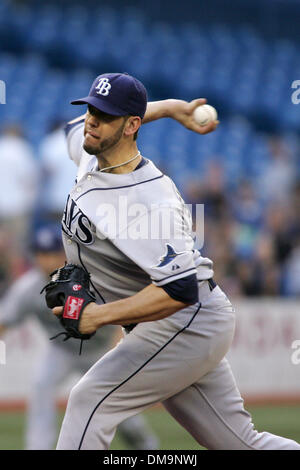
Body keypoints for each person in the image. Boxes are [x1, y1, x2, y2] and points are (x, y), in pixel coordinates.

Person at [50, 72, 299, 450]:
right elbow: (90, 123)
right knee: (241, 445)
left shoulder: (151, 201)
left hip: (188, 320)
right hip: (174, 326)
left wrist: (97, 317)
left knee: (89, 401)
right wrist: (167, 109)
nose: (91, 121)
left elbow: (180, 289)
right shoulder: (90, 152)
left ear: (131, 125)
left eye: (104, 115)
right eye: (90, 110)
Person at [0, 224, 159, 450]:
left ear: (63, 252)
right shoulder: (28, 287)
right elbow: (4, 321)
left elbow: (124, 310)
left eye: (51, 253)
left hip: (102, 350)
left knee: (119, 411)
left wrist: (119, 348)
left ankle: (147, 448)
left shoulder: (90, 276)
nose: (45, 260)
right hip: (62, 351)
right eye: (40, 254)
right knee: (40, 385)